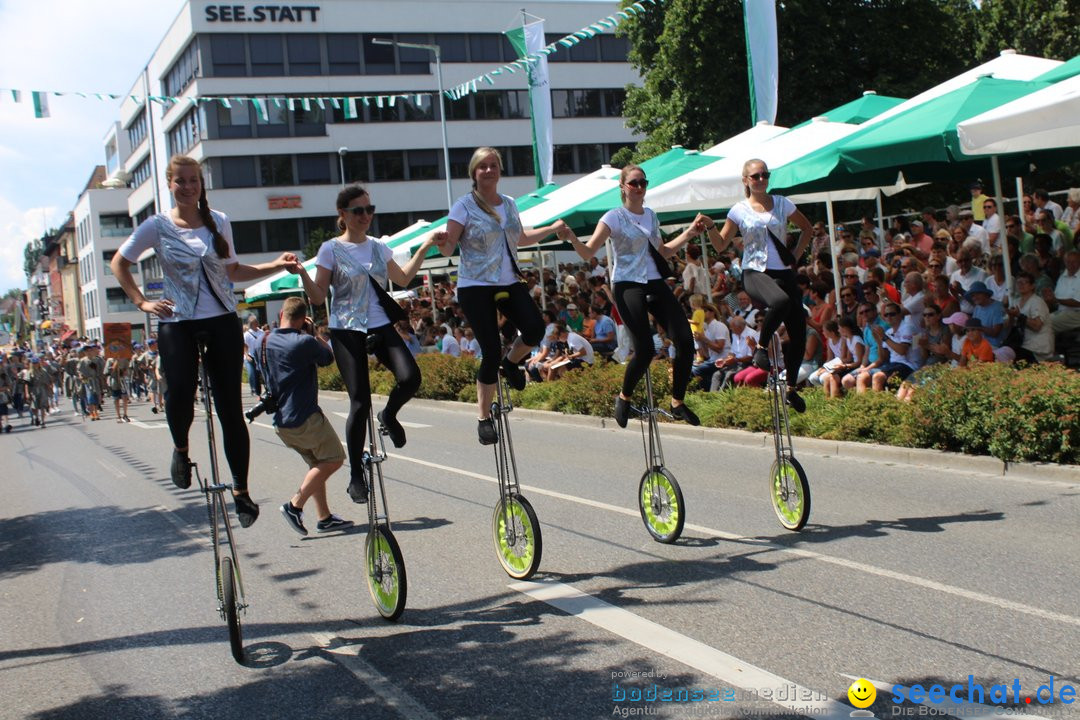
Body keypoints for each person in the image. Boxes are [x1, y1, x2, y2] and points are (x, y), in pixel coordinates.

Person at [111, 154, 298, 528]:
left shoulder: (220, 222)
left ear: (201, 183)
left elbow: (233, 271)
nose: (188, 186)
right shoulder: (156, 226)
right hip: (177, 320)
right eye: (180, 181)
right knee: (179, 391)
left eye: (193, 180)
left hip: (222, 320)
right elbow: (120, 262)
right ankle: (181, 450)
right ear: (170, 184)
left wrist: (275, 264)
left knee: (230, 407)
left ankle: (241, 492)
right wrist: (142, 302)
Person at [292, 183, 438, 503]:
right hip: (346, 328)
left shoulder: (377, 247)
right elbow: (318, 296)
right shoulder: (331, 249)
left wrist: (425, 247)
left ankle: (389, 416)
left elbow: (402, 279)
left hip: (380, 324)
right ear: (342, 215)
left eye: (369, 210)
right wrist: (302, 272)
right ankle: (356, 473)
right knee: (360, 401)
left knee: (411, 377)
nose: (365, 216)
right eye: (358, 211)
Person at [435, 147, 568, 444]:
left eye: (493, 165)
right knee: (490, 349)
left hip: (507, 279)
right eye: (483, 166)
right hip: (475, 285)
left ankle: (511, 363)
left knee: (535, 328)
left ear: (500, 171)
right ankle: (483, 417)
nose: (489, 170)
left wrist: (551, 228)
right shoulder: (463, 206)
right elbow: (448, 248)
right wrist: (442, 242)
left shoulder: (509, 204)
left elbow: (519, 238)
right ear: (474, 172)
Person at [562, 163, 707, 427]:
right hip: (627, 283)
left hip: (654, 281)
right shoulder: (613, 217)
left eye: (643, 182)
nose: (639, 187)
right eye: (634, 183)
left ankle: (677, 402)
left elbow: (661, 251)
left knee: (685, 340)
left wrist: (689, 233)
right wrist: (572, 237)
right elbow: (587, 252)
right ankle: (624, 397)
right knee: (645, 348)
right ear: (623, 187)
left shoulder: (651, 216)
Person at [701, 158, 814, 412]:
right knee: (780, 301)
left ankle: (791, 388)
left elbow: (807, 229)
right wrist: (709, 226)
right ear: (746, 181)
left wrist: (795, 255)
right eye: (756, 176)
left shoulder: (783, 203)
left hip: (783, 271)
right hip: (754, 271)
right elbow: (720, 244)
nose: (761, 179)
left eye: (765, 174)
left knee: (798, 333)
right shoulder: (739, 210)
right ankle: (761, 347)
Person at [263, 298, 353, 535]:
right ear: (303, 319)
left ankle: (324, 517)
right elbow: (328, 357)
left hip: (282, 420)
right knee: (334, 459)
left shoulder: (267, 340)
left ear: (281, 313)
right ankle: (295, 505)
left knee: (317, 464)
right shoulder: (304, 342)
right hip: (305, 418)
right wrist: (314, 334)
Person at [243, 316, 264, 397]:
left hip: (259, 357)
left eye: (257, 321)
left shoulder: (261, 332)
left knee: (258, 374)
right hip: (250, 356)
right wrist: (246, 355)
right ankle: (253, 388)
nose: (257, 323)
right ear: (251, 324)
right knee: (252, 373)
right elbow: (244, 345)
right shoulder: (247, 334)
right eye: (255, 322)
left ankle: (258, 392)